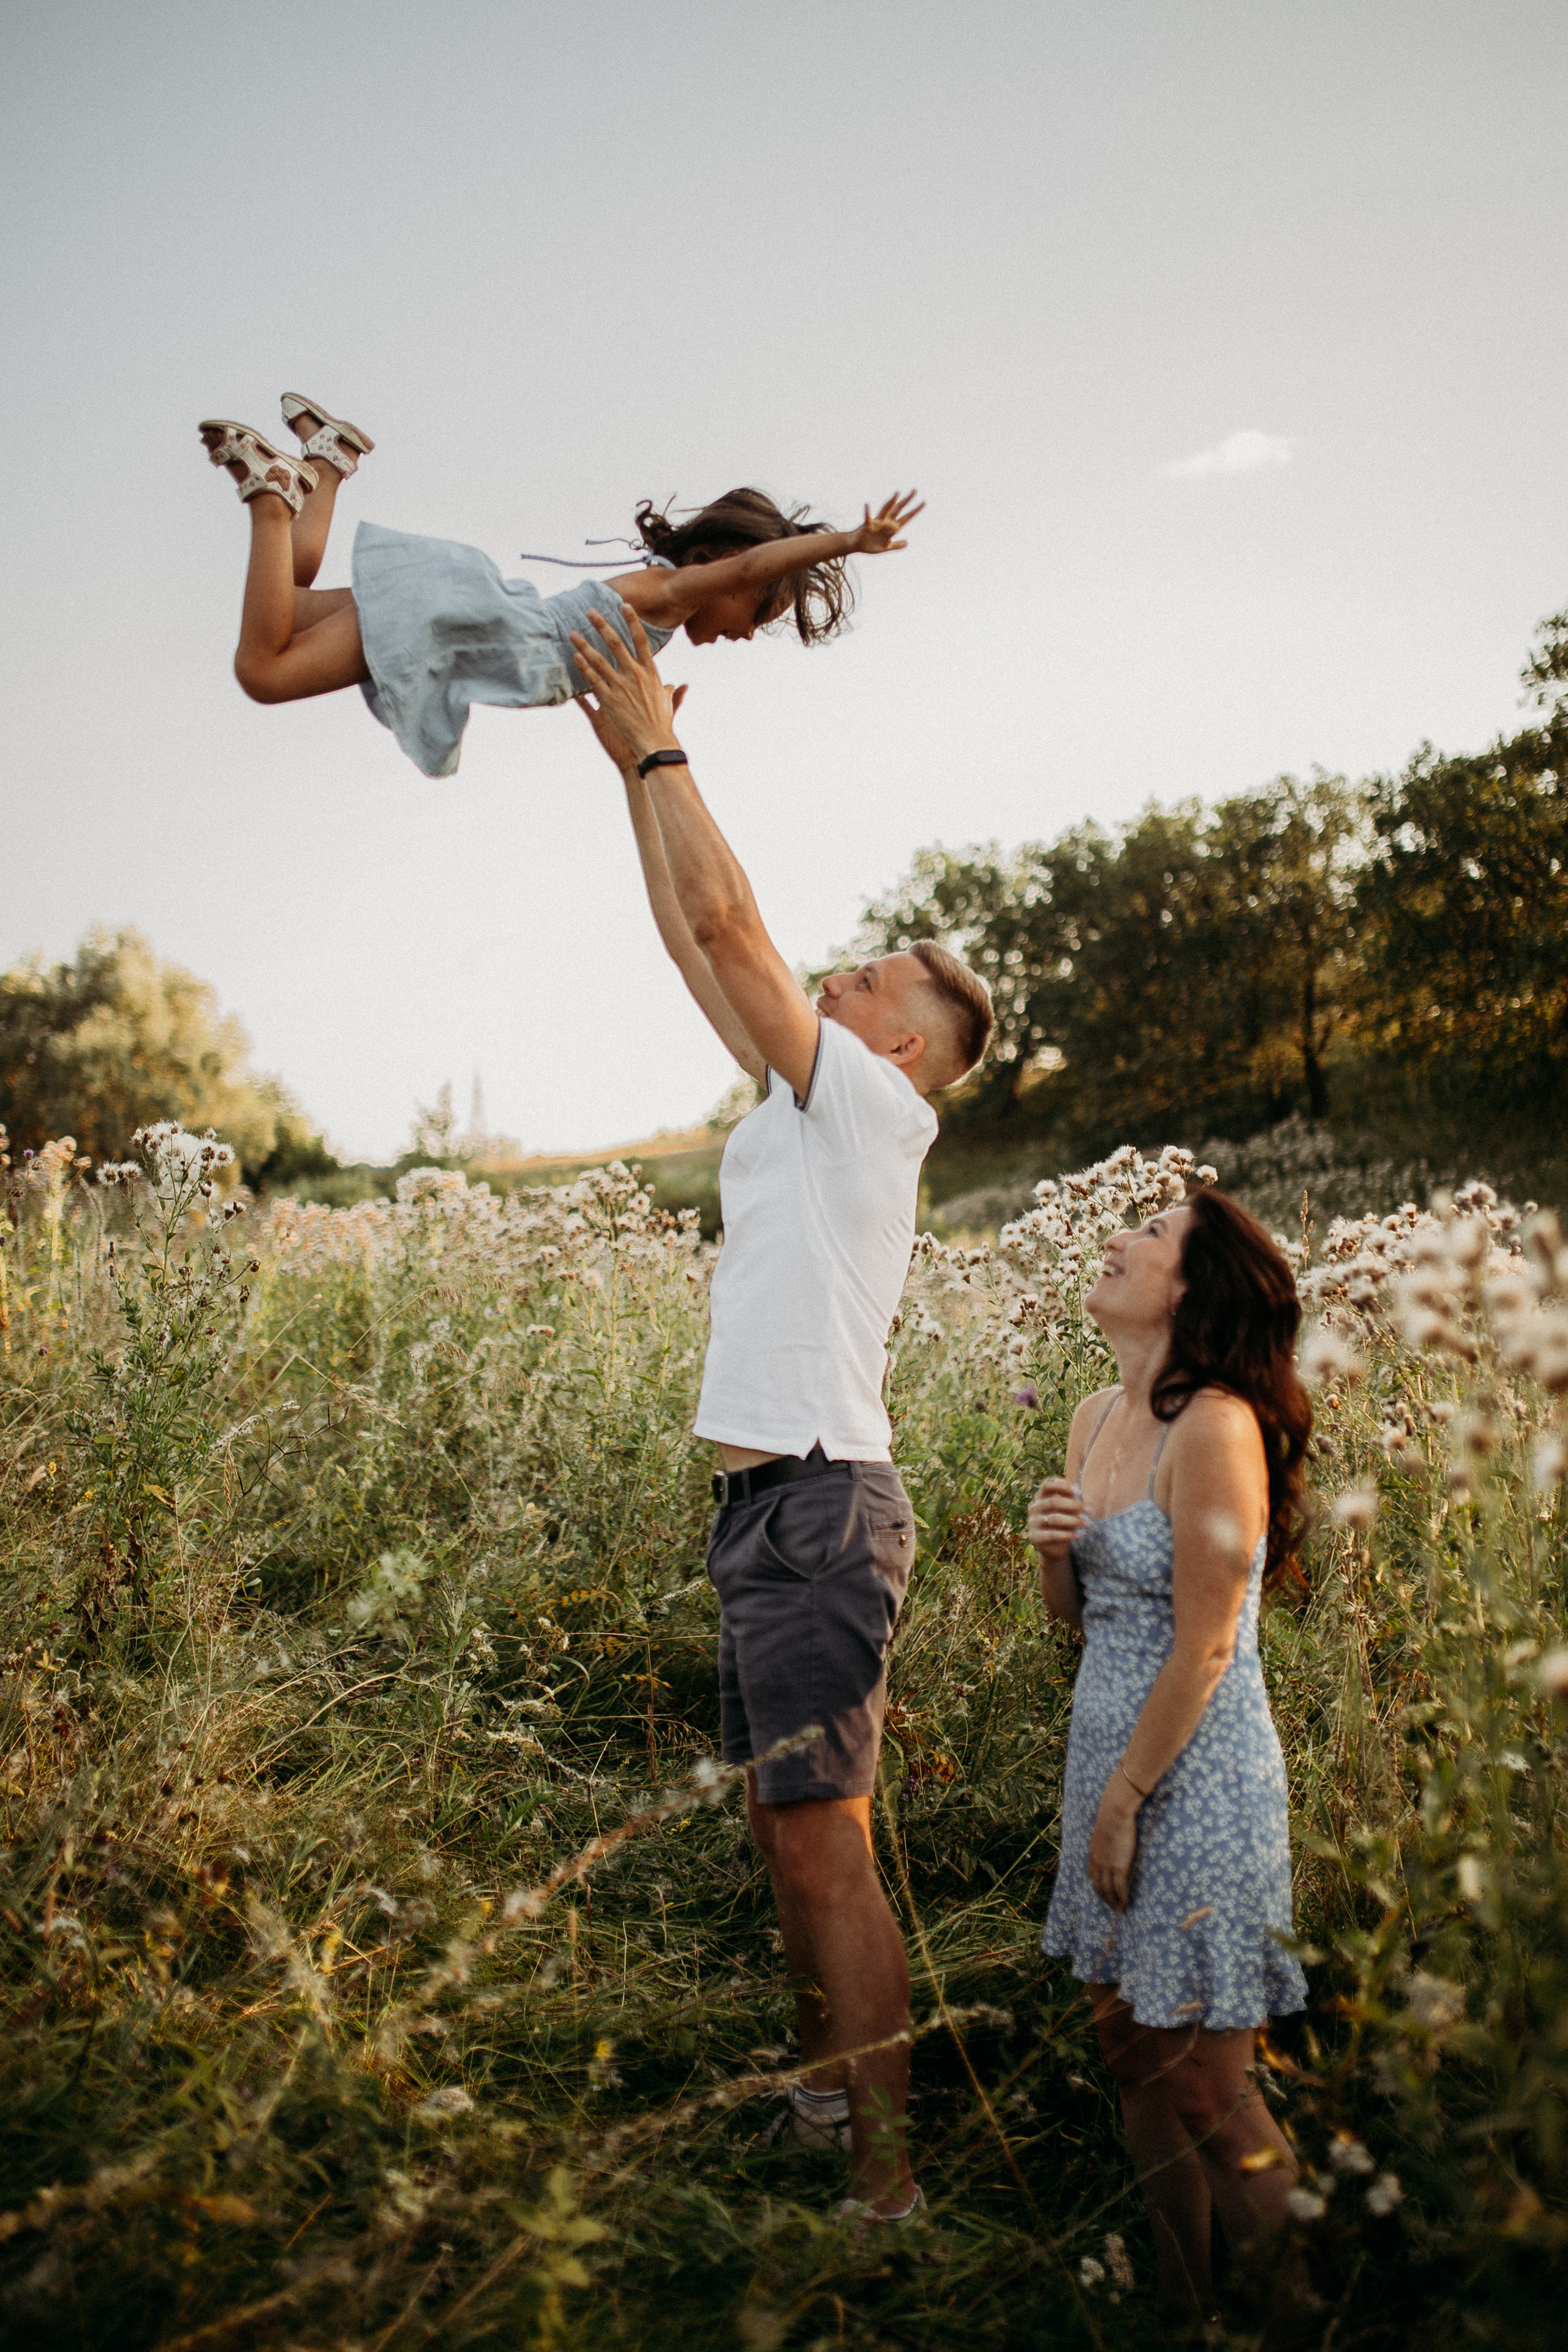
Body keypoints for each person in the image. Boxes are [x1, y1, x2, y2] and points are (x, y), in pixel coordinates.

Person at [570, 603, 993, 2225]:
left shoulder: (872, 1102)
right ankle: (824, 2105)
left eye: (877, 972)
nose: (850, 960)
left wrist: (666, 745)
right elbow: (698, 941)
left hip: (821, 1506)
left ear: (901, 1042)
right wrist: (631, 762)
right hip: (773, 1510)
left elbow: (736, 923)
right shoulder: (802, 1102)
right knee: (784, 1833)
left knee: (827, 1846)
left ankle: (888, 2185)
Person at [1025, 1189, 1312, 2318]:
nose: (1117, 1240)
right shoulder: (1097, 1414)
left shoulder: (1219, 1427)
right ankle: (1182, 2313)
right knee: (1130, 2051)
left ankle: (1298, 2315)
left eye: (1146, 1235)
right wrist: (1054, 1552)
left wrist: (1126, 1802)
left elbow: (1205, 1643)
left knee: (1211, 2086)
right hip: (1108, 1760)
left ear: (1192, 1290)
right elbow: (1077, 1621)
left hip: (1195, 1781)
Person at [195, 394, 922, 776]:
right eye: (757, 611)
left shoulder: (655, 625)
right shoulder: (674, 592)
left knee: (284, 596)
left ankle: (324, 465)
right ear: (723, 560)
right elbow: (746, 569)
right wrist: (850, 543)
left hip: (462, 612)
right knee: (263, 672)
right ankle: (270, 495)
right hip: (453, 628)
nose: (745, 630)